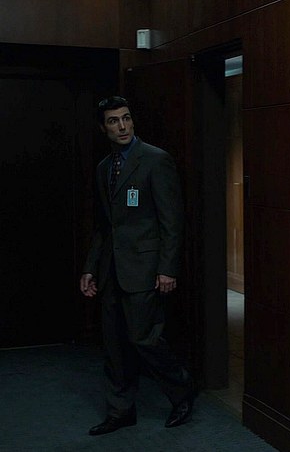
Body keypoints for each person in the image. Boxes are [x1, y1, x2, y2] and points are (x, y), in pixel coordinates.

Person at [80, 96, 196, 435]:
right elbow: (105, 227)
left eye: (126, 118)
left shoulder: (156, 160)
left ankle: (182, 390)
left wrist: (168, 268)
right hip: (111, 270)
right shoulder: (104, 168)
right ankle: (120, 410)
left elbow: (172, 221)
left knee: (144, 338)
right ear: (103, 128)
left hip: (145, 269)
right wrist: (90, 267)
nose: (122, 126)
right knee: (114, 344)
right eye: (114, 121)